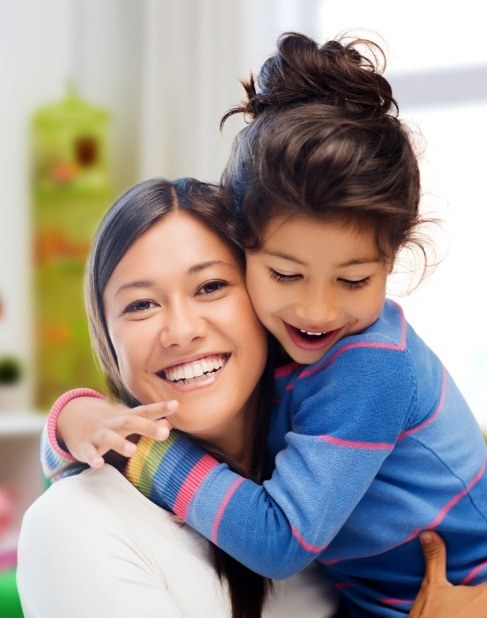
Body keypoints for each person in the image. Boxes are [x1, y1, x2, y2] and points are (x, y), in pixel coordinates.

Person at [36, 33, 487, 616]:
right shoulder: (290, 354)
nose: (318, 311)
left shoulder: (365, 363)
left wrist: (141, 452)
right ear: (249, 245)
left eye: (352, 281)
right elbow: (76, 462)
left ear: (393, 262)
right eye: (284, 274)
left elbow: (278, 543)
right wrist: (77, 417)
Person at [17, 178, 340, 618]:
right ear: (107, 340)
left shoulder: (322, 492)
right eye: (141, 305)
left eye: (210, 287)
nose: (182, 331)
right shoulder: (73, 524)